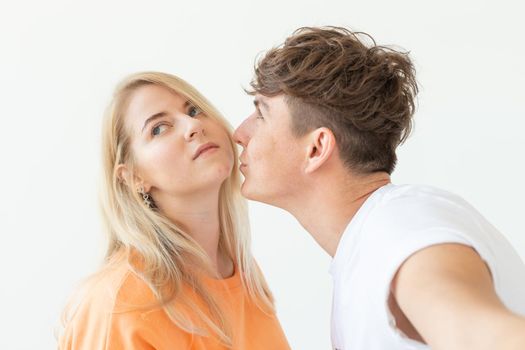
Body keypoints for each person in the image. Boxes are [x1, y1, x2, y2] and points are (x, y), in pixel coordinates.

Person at [233, 26, 525, 349]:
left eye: (261, 113)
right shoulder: (369, 246)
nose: (238, 133)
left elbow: (486, 338)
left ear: (316, 149)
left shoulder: (396, 229)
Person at [58, 72, 290, 350]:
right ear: (133, 177)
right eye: (158, 128)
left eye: (194, 110)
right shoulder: (118, 304)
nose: (192, 125)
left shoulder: (245, 274)